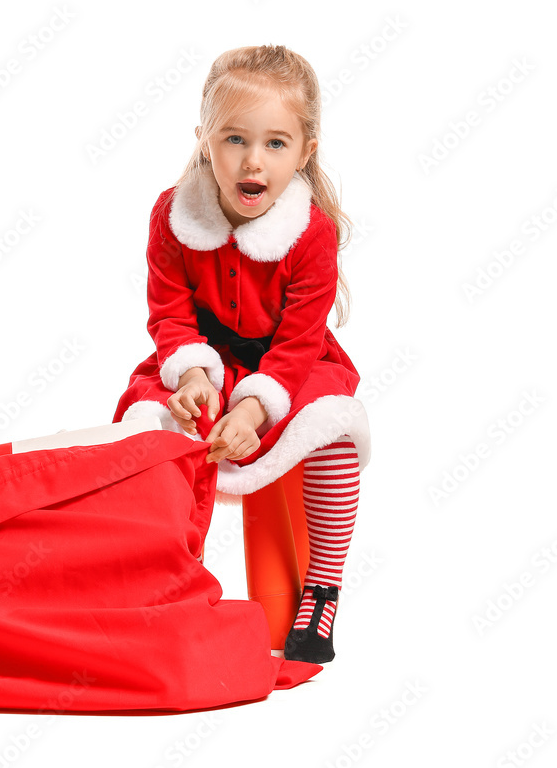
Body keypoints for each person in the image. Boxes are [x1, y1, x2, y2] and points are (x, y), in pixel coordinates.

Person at [113, 45, 371, 664]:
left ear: (305, 151)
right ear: (205, 141)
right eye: (235, 139)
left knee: (333, 428)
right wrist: (195, 375)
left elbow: (300, 338)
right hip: (202, 356)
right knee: (149, 426)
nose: (253, 161)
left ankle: (323, 587)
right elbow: (169, 312)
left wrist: (255, 410)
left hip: (288, 363)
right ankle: (167, 577)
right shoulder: (171, 214)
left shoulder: (312, 233)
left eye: (276, 144)